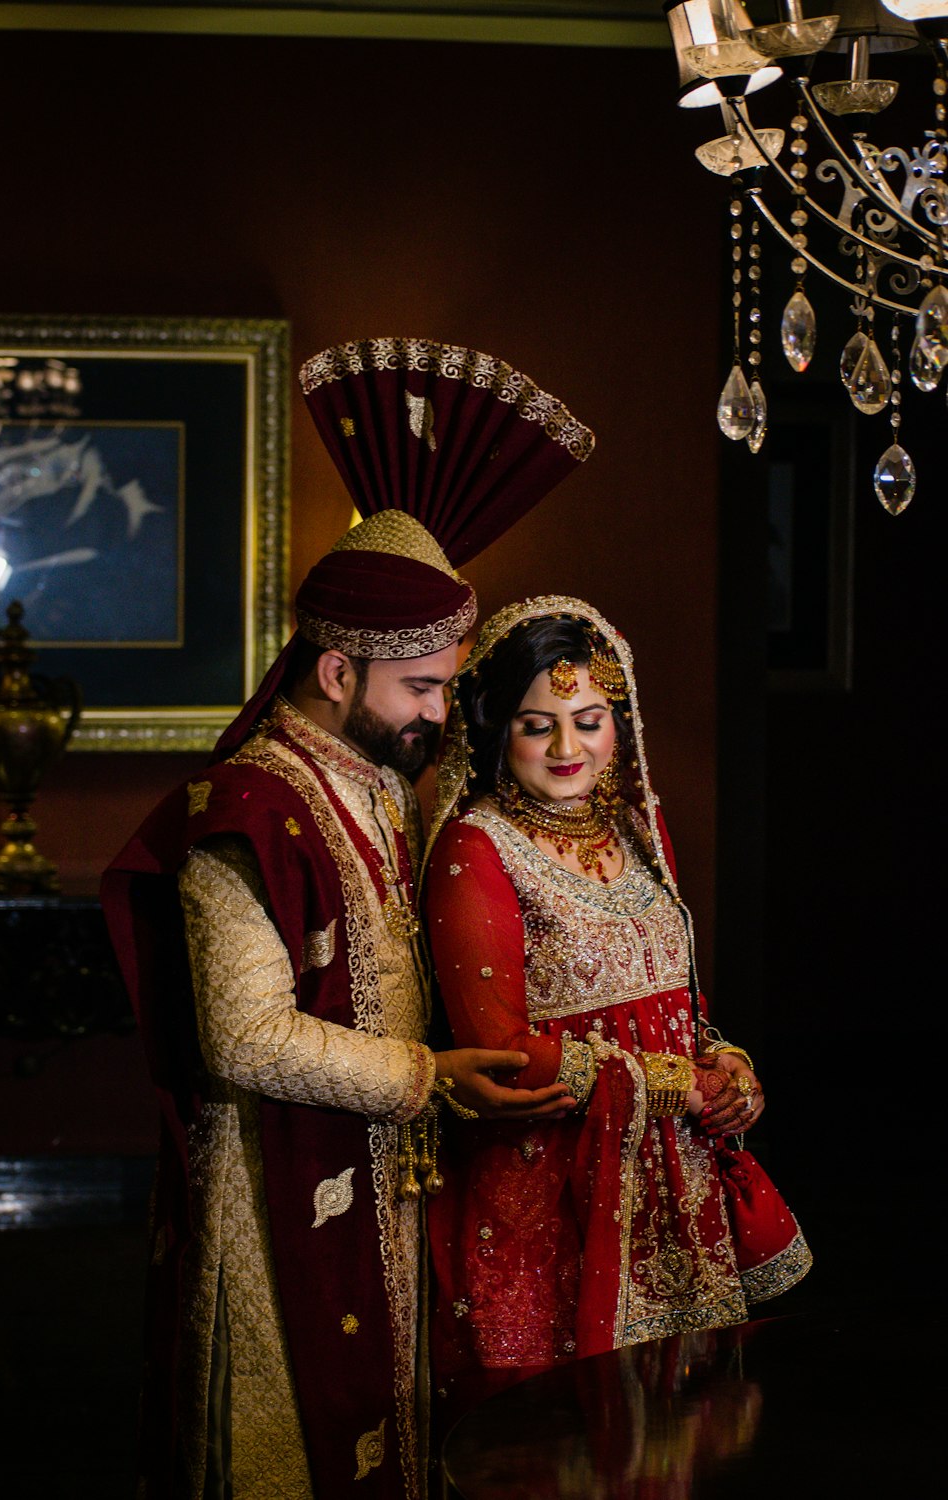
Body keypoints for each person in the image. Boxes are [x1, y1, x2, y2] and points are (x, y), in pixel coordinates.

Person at [100, 339, 595, 1500]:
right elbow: (245, 1039)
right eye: (419, 689)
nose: (437, 713)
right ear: (334, 676)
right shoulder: (245, 814)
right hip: (280, 1193)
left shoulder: (382, 788)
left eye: (444, 685)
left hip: (397, 1180)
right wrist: (427, 1077)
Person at [422, 596, 812, 1424]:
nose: (570, 749)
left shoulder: (635, 829)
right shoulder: (476, 847)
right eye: (537, 726)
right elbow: (496, 1051)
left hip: (678, 1194)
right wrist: (674, 1085)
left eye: (590, 719)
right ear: (496, 731)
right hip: (547, 1200)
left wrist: (728, 1063)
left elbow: (681, 998)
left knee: (677, 1436)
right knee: (557, 1446)